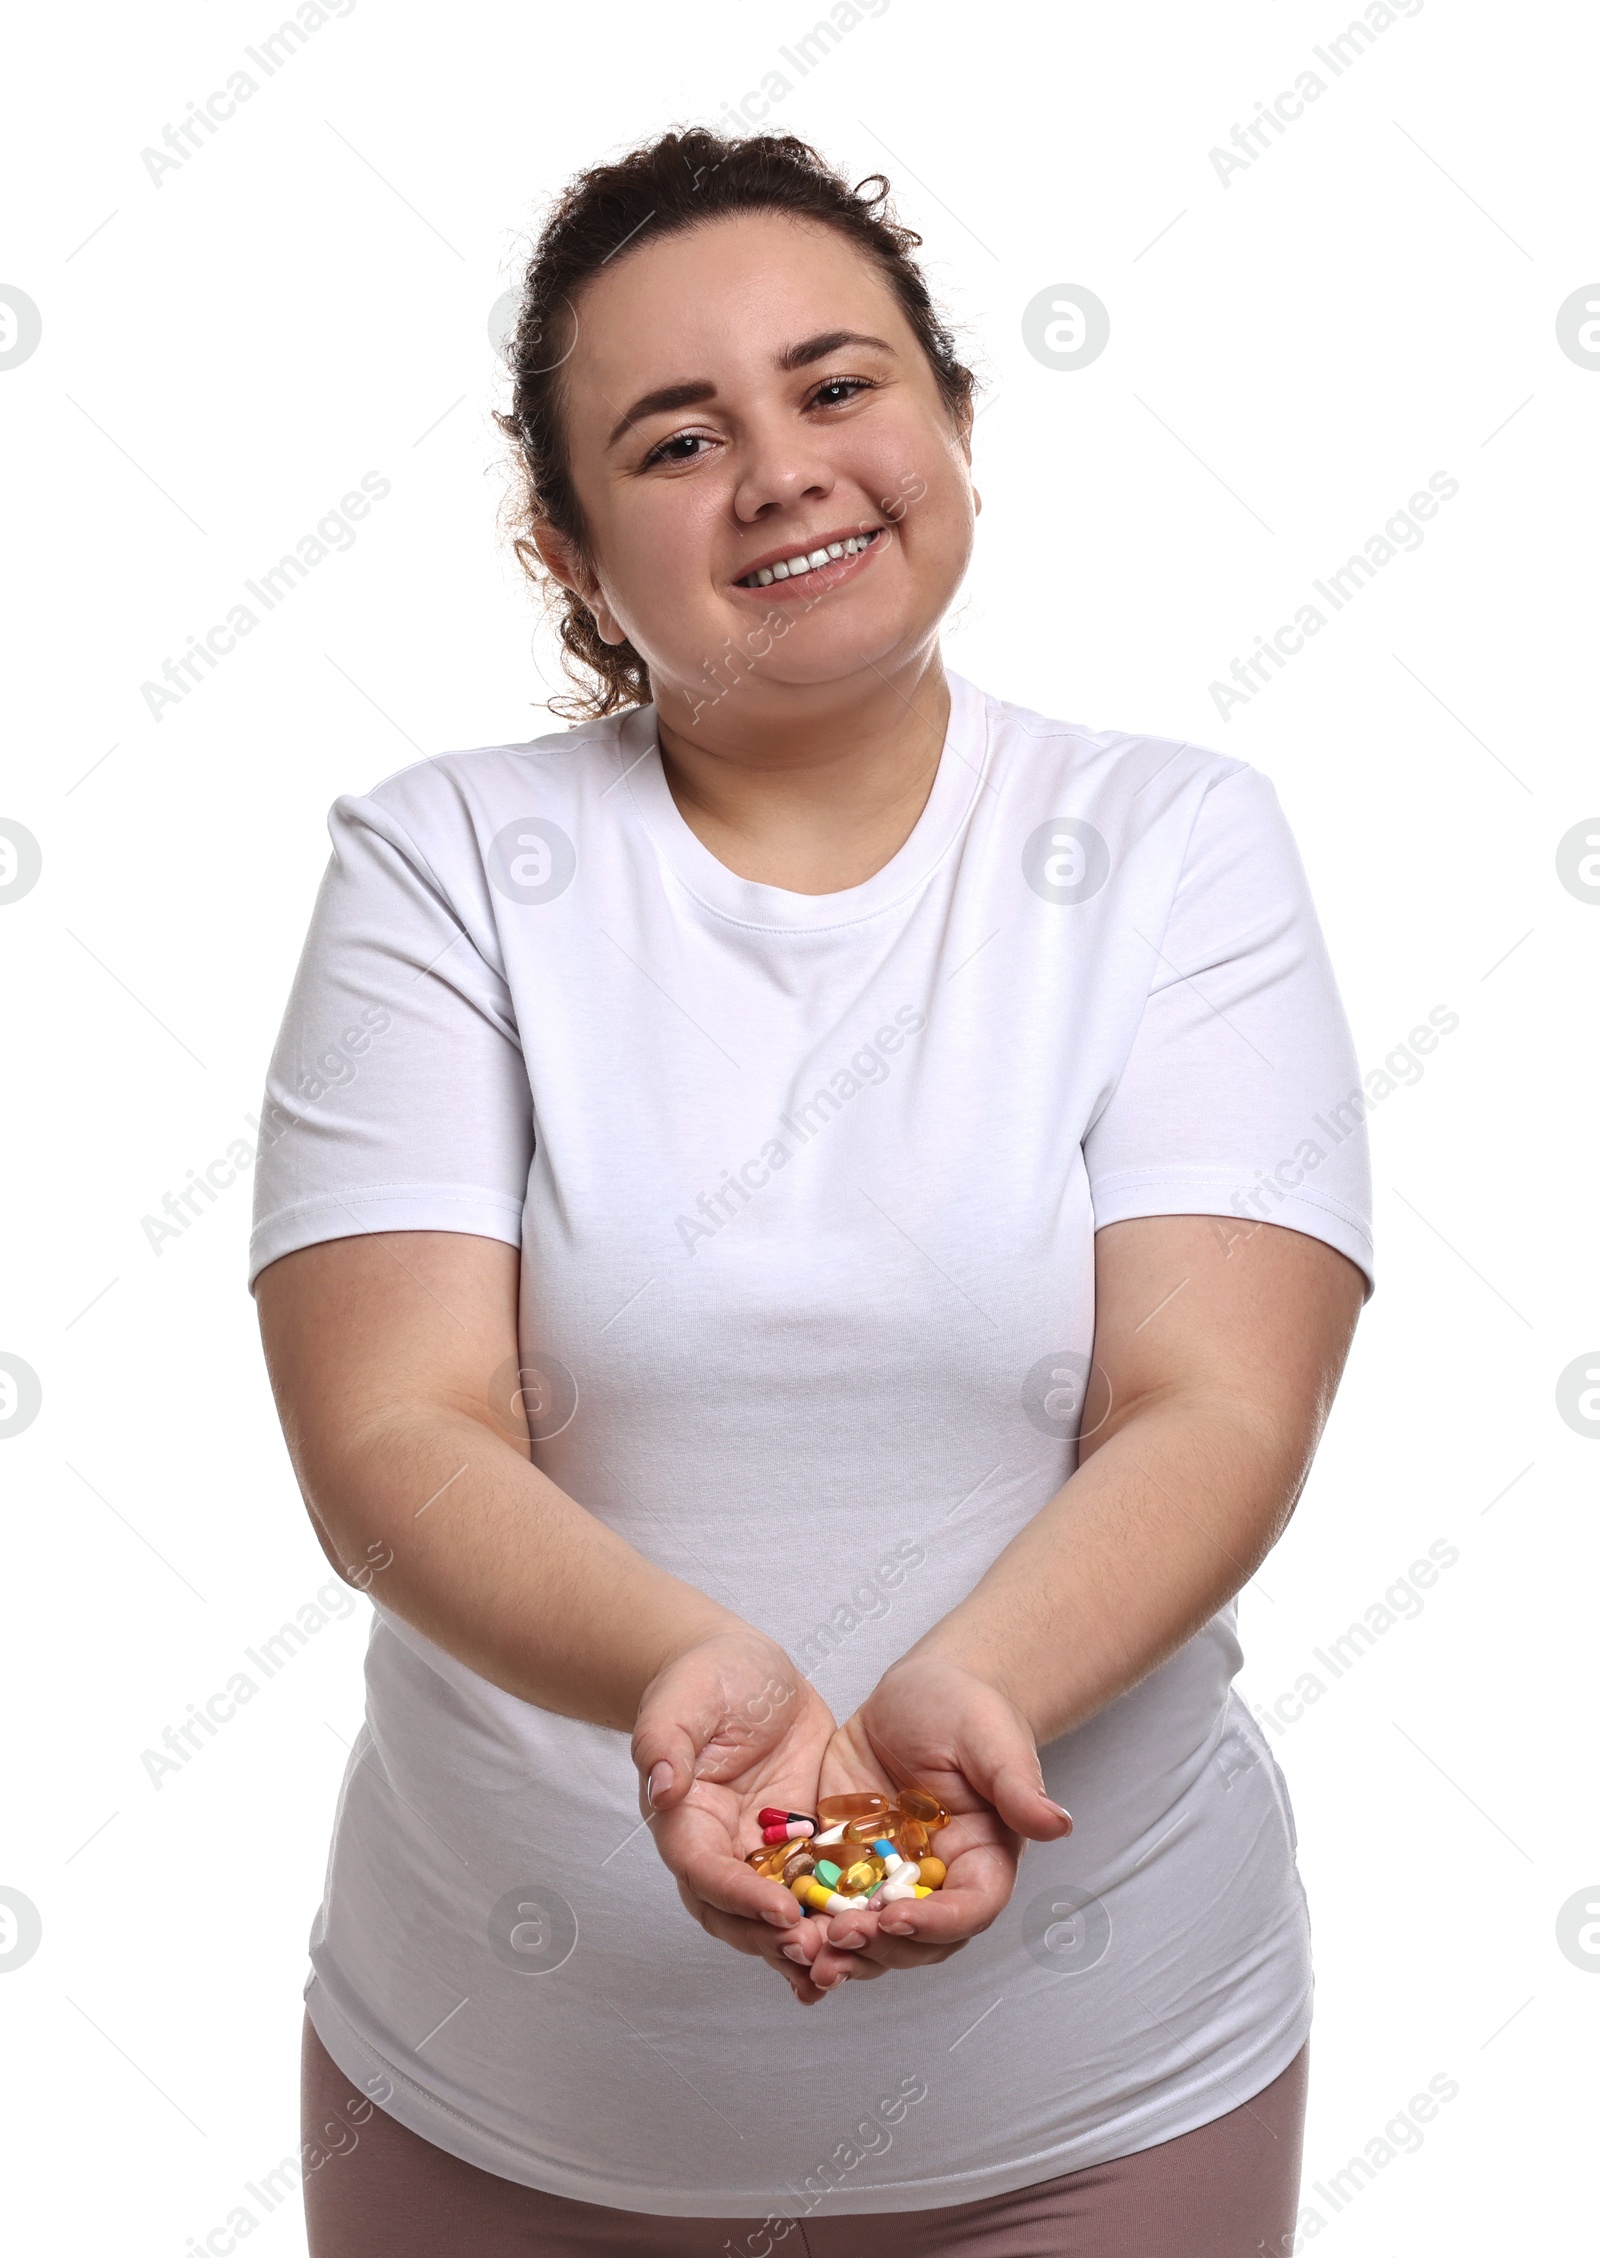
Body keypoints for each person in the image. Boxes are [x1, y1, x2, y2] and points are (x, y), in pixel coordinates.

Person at [250, 126, 1372, 2257]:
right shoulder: (444, 866)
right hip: (502, 2106)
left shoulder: (1171, 844)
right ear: (568, 551)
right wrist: (695, 1680)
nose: (779, 467)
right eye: (676, 438)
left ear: (948, 418)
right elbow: (391, 1436)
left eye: (836, 385)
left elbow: (1211, 1402)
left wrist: (975, 1696)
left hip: (1099, 2100)